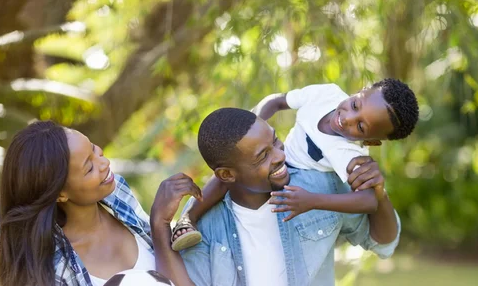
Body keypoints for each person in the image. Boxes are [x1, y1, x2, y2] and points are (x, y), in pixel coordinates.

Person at [180, 108, 401, 286]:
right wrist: (161, 226)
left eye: (275, 141)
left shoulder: (318, 186)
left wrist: (379, 194)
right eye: (263, 156)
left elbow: (383, 242)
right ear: (226, 174)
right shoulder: (206, 222)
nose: (280, 156)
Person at [0, 120, 202, 286]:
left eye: (94, 149)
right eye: (89, 166)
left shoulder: (118, 195)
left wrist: (160, 223)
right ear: (60, 192)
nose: (103, 163)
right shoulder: (49, 270)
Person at [171, 78, 418, 251]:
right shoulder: (327, 94)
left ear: (371, 141)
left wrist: (312, 200)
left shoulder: (346, 153)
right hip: (278, 151)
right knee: (230, 173)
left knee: (242, 183)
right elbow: (277, 101)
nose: (347, 119)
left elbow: (369, 200)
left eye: (361, 127)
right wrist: (254, 126)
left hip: (293, 176)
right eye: (355, 105)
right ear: (360, 91)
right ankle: (187, 219)